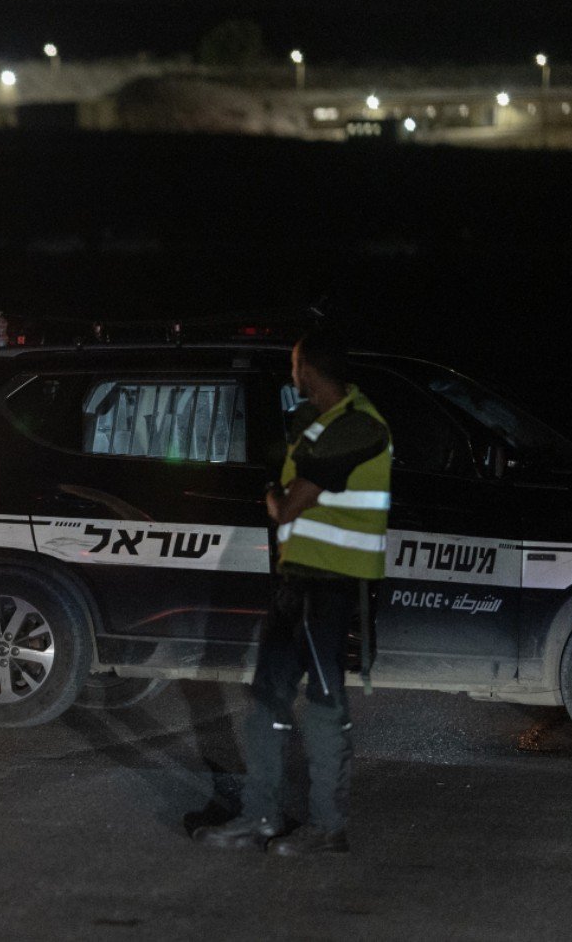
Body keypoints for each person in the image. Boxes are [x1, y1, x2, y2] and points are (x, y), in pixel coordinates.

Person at [193, 328, 391, 857]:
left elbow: (289, 507)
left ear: (307, 368)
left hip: (331, 589)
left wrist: (271, 493)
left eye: (293, 363)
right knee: (268, 700)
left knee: (325, 705)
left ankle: (327, 827)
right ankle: (259, 816)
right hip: (298, 585)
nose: (290, 373)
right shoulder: (324, 427)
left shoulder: (358, 427)